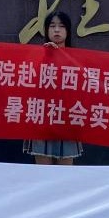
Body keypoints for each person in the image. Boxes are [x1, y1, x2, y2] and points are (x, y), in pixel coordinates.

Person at [24, 11, 82, 165]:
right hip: (42, 118)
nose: (57, 30)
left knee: (65, 172)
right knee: (43, 172)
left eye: (61, 26)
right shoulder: (37, 55)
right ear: (46, 30)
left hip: (67, 118)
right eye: (52, 26)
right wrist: (47, 56)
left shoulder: (76, 57)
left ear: (68, 31)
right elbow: (29, 85)